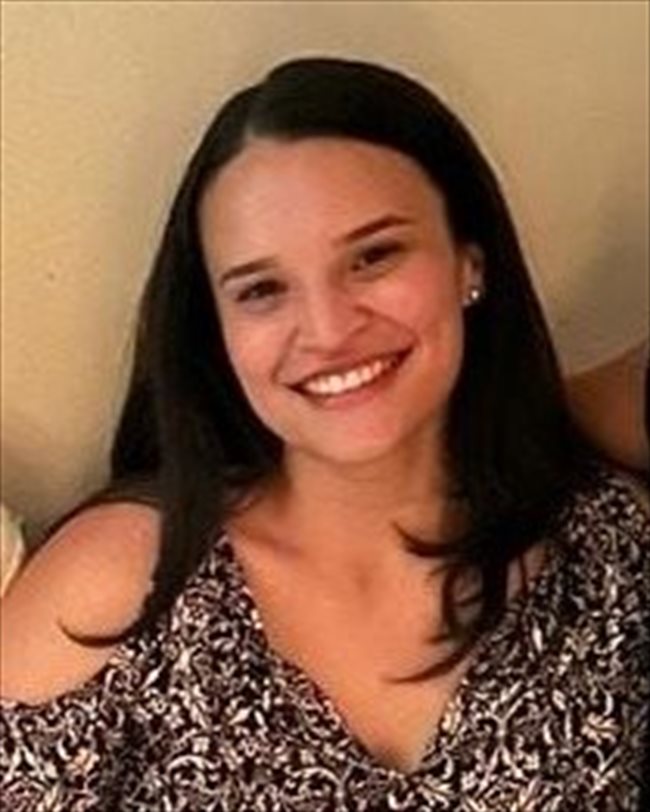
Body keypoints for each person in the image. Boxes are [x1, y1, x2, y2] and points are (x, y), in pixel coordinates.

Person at [1, 57, 648, 810]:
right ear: (218, 331)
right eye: (262, 290)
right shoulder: (127, 580)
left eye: (374, 256)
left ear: (469, 263)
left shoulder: (607, 555)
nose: (330, 329)